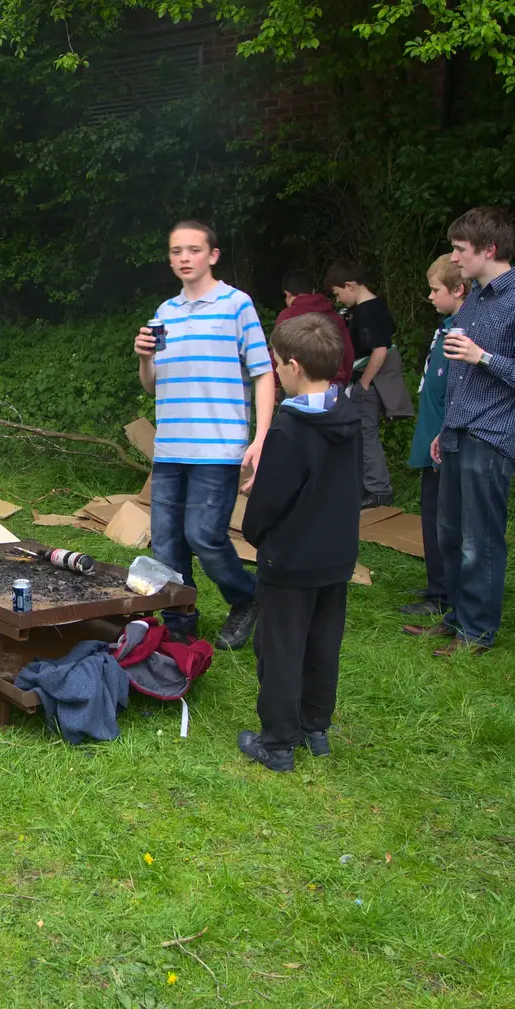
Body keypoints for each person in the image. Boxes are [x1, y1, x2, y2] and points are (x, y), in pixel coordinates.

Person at [403, 206, 515, 655]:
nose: (454, 258)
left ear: (488, 249)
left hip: (492, 436)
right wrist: (444, 427)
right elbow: (459, 373)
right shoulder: (476, 297)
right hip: (458, 433)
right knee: (450, 535)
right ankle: (459, 618)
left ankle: (477, 633)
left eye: (460, 249)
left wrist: (484, 357)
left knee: (480, 541)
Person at [132, 220, 275, 650]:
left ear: (213, 255)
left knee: (204, 536)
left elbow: (264, 373)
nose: (184, 259)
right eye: (176, 251)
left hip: (218, 447)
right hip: (170, 447)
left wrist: (261, 436)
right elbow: (152, 385)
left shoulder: (237, 305)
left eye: (193, 250)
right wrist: (144, 358)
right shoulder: (165, 313)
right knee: (166, 543)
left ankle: (247, 598)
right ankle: (179, 622)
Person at [237, 314, 363, 772]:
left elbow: (268, 504)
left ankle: (278, 742)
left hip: (288, 562)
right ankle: (316, 728)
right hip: (335, 559)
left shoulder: (288, 429)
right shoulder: (348, 417)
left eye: (275, 364)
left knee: (281, 648)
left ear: (292, 366)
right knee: (322, 645)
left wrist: (254, 531)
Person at [399, 255, 467, 619]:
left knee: (442, 519)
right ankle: (436, 584)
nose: (429, 296)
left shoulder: (464, 332)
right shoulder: (447, 327)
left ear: (459, 290)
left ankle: (442, 594)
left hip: (445, 443)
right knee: (431, 515)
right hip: (432, 440)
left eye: (435, 290)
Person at [326, 259, 414, 508]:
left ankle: (378, 490)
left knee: (366, 434)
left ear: (349, 285)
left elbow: (380, 350)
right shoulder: (373, 306)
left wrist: (364, 382)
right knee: (362, 433)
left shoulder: (367, 312)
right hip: (368, 380)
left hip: (370, 382)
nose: (339, 299)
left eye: (338, 293)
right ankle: (367, 483)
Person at [275, 269, 353, 390]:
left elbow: (278, 354)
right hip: (334, 385)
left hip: (299, 386)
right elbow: (348, 354)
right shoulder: (334, 317)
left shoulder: (287, 316)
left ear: (287, 294)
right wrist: (343, 381)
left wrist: (275, 384)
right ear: (312, 290)